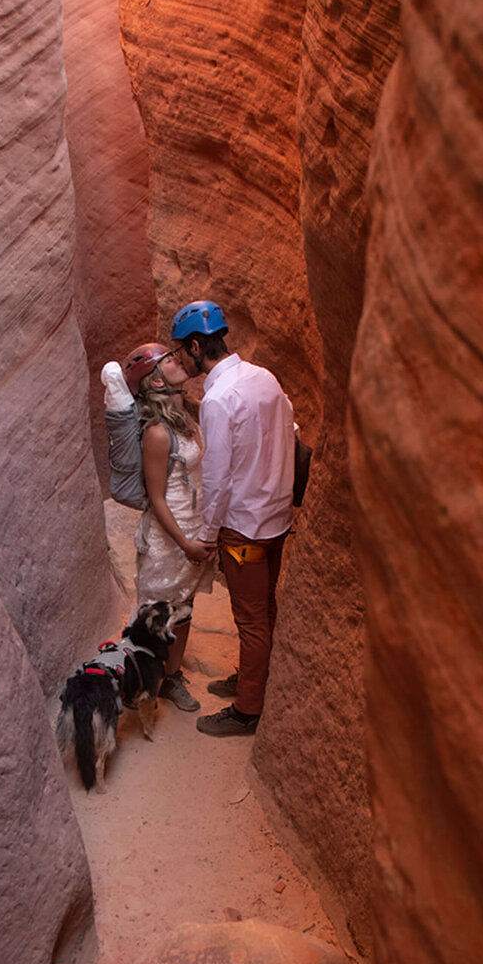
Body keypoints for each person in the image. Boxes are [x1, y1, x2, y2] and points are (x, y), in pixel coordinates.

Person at [165, 300, 295, 736]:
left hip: (244, 529)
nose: (180, 359)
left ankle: (248, 710)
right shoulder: (264, 378)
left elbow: (217, 479)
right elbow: (290, 432)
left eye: (181, 351)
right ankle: (256, 682)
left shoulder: (218, 399)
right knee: (265, 611)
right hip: (277, 517)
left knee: (251, 619)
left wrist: (206, 535)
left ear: (198, 345)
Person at [118, 341, 212, 711]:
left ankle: (171, 678)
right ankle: (135, 683)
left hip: (193, 527)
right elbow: (156, 498)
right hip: (167, 539)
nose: (178, 361)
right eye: (169, 360)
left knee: (184, 607)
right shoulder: (158, 433)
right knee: (153, 612)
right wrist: (184, 544)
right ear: (155, 383)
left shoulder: (188, 414)